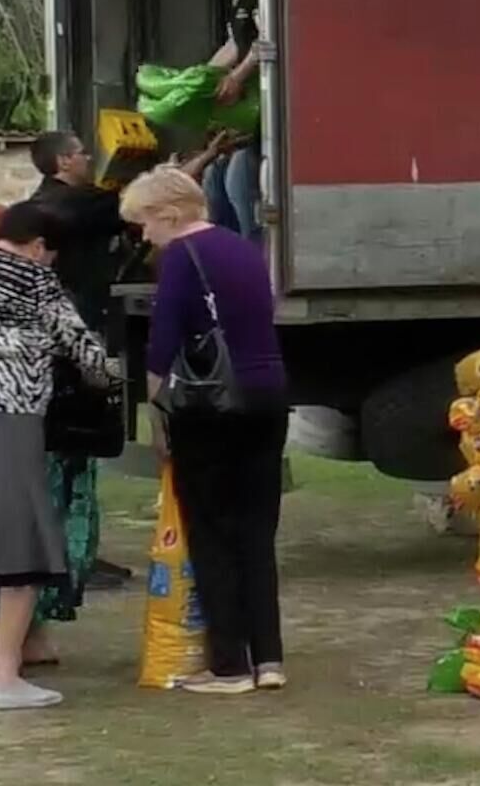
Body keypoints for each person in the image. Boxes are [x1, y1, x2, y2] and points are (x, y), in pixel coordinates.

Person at [0, 202, 114, 709]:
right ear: (39, 247)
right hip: (5, 416)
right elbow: (85, 353)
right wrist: (110, 375)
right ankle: (4, 677)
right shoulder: (37, 281)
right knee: (20, 553)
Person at [27, 133, 226, 595]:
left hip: (74, 342)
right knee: (83, 450)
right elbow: (155, 205)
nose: (88, 157)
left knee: (75, 454)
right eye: (80, 152)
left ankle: (76, 555)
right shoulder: (74, 207)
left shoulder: (54, 204)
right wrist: (201, 160)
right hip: (85, 341)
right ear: (61, 161)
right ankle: (74, 559)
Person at [120, 166, 289, 695]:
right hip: (268, 392)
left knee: (212, 529)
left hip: (210, 402)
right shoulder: (244, 249)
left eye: (144, 221)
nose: (143, 235)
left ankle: (229, 663)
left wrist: (156, 411)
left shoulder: (179, 261)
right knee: (257, 532)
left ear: (169, 213)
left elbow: (162, 340)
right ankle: (270, 657)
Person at [201, 0, 264, 241]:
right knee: (216, 180)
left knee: (239, 182)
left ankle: (255, 260)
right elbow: (234, 45)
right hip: (244, 107)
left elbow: (263, 41)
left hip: (261, 104)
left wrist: (237, 76)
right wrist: (199, 79)